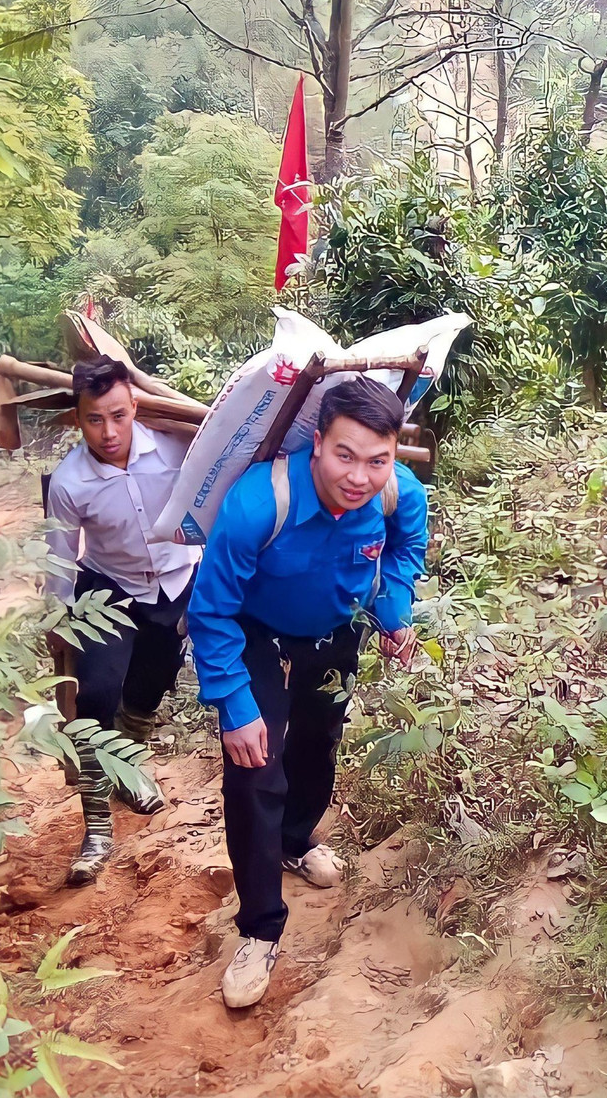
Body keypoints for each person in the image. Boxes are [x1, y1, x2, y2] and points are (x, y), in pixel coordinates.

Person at [187, 377, 428, 1009]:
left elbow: (406, 552)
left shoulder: (398, 495)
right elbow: (211, 610)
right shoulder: (258, 505)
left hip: (330, 635)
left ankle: (296, 840)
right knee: (254, 767)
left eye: (378, 460)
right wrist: (235, 706)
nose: (360, 476)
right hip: (255, 636)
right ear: (317, 444)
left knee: (319, 747)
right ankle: (261, 929)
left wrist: (394, 610)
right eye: (345, 455)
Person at [46, 356, 200, 886]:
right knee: (96, 695)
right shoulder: (70, 482)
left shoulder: (179, 445)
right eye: (94, 419)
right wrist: (57, 619)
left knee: (147, 693)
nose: (108, 432)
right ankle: (95, 828)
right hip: (107, 587)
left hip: (176, 583)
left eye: (118, 415)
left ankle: (129, 769)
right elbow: (61, 558)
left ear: (135, 405)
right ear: (78, 419)